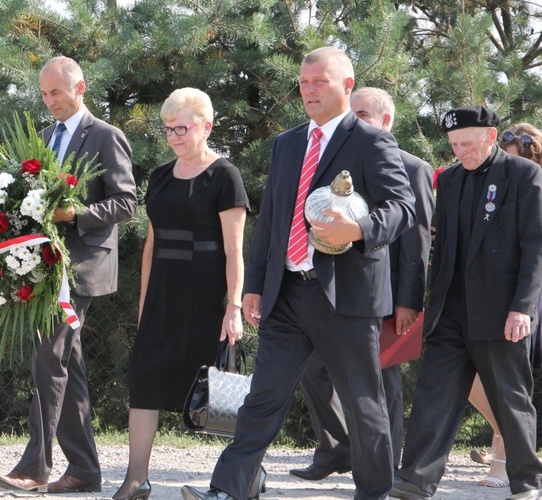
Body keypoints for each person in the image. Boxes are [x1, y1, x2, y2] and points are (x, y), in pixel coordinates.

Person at [181, 46, 415, 500]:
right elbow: (272, 219)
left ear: (346, 86)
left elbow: (403, 209)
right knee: (263, 397)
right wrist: (255, 286)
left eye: (319, 82)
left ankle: (374, 493)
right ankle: (230, 490)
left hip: (345, 295)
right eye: (304, 83)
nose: (308, 90)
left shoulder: (371, 141)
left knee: (363, 403)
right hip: (286, 292)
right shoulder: (288, 143)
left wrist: (359, 228)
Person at [0, 56, 137, 494]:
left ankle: (35, 466)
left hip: (81, 265)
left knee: (49, 358)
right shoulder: (45, 137)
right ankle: (85, 470)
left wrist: (77, 214)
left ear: (80, 88)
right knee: (64, 362)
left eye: (56, 92)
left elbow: (127, 202)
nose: (50, 101)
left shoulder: (107, 136)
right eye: (44, 93)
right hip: (43, 266)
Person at [390, 106, 542, 500]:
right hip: (452, 310)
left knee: (510, 399)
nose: (460, 152)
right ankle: (415, 480)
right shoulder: (452, 180)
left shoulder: (525, 175)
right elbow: (443, 249)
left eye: (468, 144)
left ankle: (525, 481)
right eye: (454, 145)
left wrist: (523, 307)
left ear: (491, 138)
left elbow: (535, 247)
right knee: (434, 393)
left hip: (502, 310)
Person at [290, 87, 434, 481]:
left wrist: (408, 301)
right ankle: (336, 449)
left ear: (387, 121)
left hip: (382, 294)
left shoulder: (413, 167)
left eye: (364, 114)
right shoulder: (327, 161)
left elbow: (415, 241)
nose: (354, 121)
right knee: (314, 369)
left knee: (380, 383)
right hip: (327, 288)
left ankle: (383, 467)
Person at [112, 88, 249, 500]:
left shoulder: (226, 176)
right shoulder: (159, 175)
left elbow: (234, 250)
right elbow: (151, 246)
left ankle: (247, 475)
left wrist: (234, 306)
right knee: (145, 381)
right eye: (168, 128)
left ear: (206, 127)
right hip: (164, 295)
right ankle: (136, 480)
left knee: (225, 391)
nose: (174, 136)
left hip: (209, 297)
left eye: (182, 128)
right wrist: (144, 303)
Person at [462, 122, 542, 489]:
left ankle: (505, 460)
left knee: (508, 381)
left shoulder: (532, 185)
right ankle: (513, 442)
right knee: (477, 379)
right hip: (492, 292)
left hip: (529, 293)